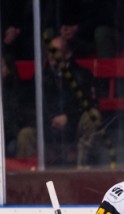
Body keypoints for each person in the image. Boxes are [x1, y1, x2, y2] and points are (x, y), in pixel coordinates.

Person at [17, 37, 102, 166]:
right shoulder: (39, 77)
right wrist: (50, 120)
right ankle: (25, 182)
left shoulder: (82, 75)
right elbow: (27, 107)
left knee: (93, 116)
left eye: (56, 51)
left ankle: (84, 170)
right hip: (48, 130)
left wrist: (69, 118)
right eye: (49, 51)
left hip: (74, 129)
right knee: (25, 134)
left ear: (68, 54)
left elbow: (90, 104)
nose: (51, 55)